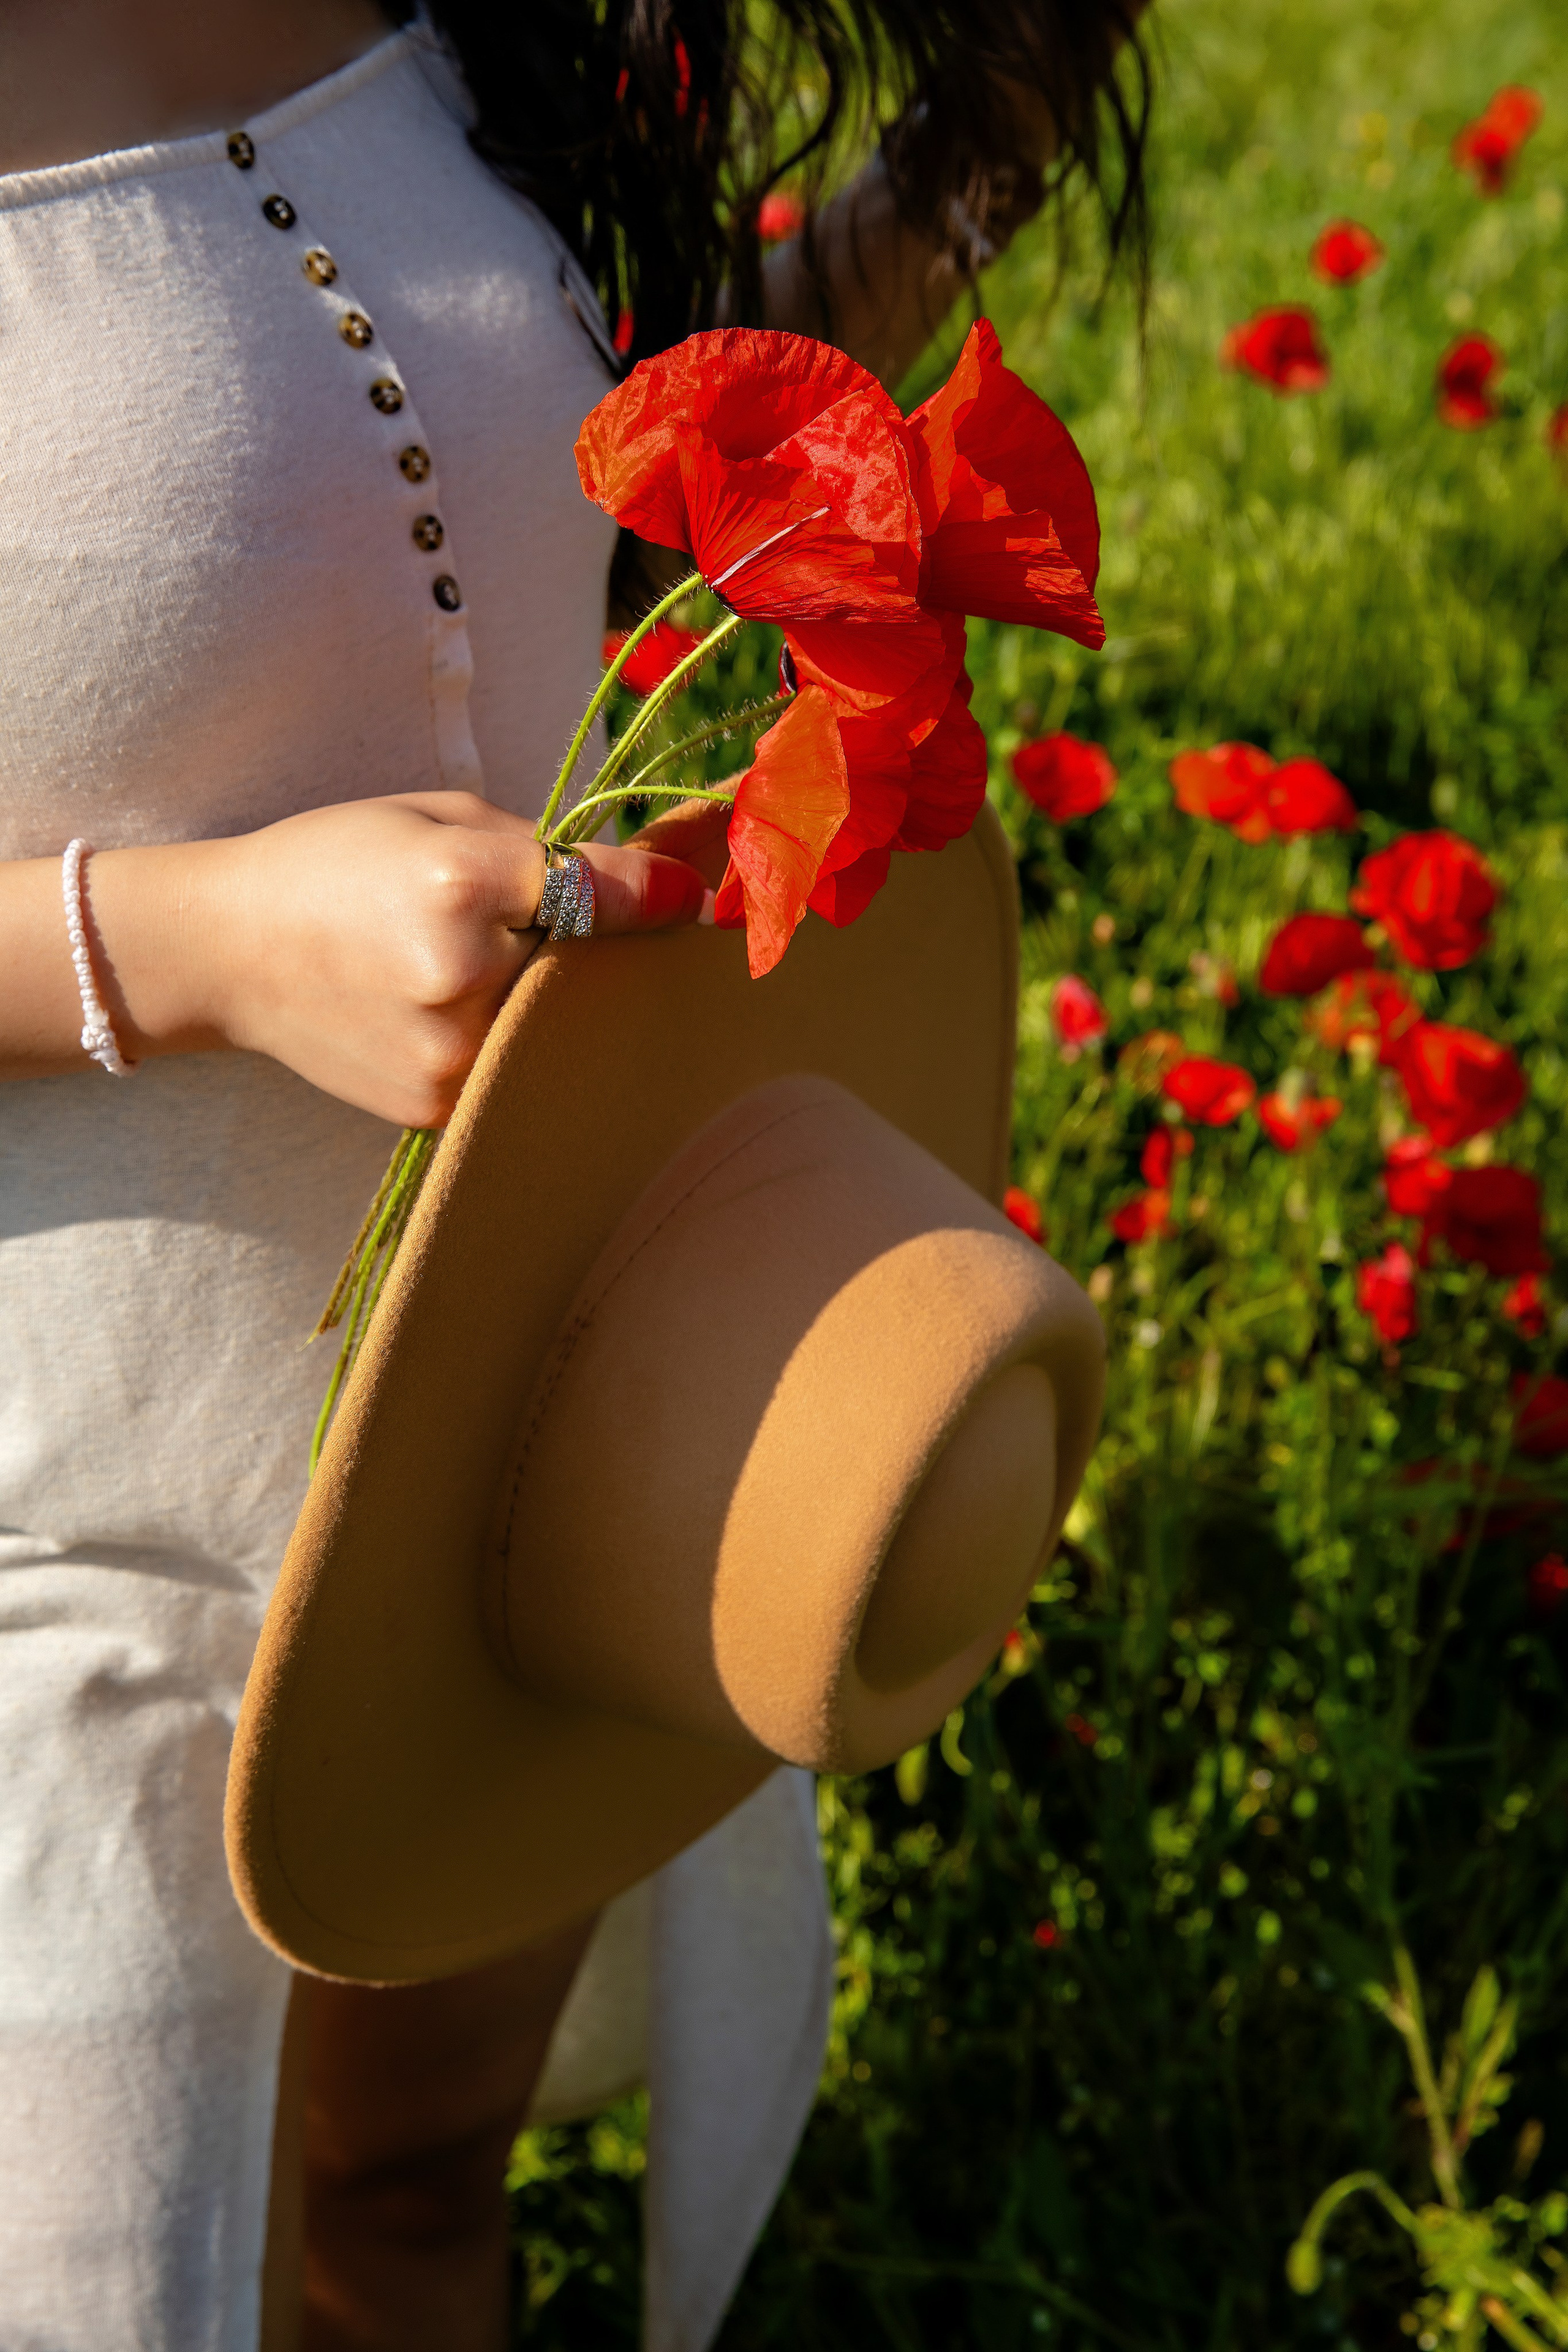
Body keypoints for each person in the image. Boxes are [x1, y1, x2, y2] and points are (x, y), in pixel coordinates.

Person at [0, 2, 1147, 2346]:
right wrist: (188, 945)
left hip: (504, 1452)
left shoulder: (433, 11)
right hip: (57, 1538)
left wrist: (987, 132)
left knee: (410, 2201)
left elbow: (618, 467)